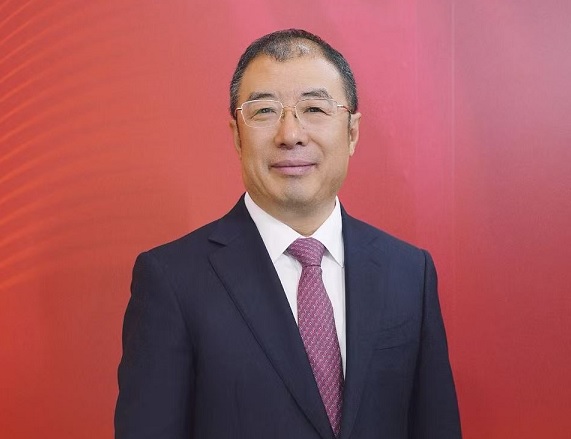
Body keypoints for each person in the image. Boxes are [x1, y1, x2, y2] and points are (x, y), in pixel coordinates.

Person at [115, 29, 462, 439]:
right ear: (236, 136)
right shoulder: (172, 280)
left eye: (314, 108)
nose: (290, 135)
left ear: (351, 132)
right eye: (264, 111)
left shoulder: (409, 272)